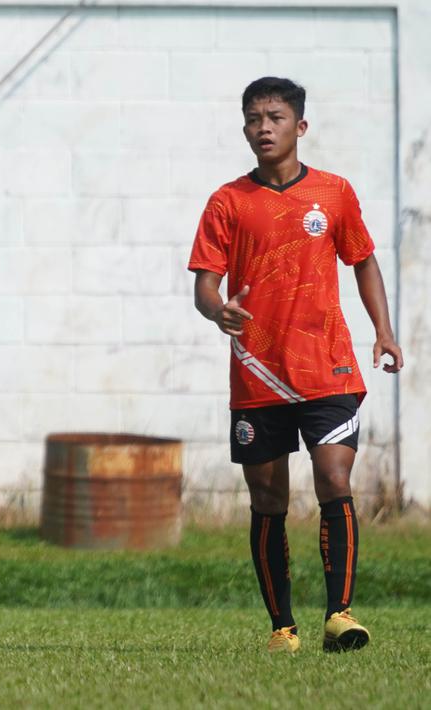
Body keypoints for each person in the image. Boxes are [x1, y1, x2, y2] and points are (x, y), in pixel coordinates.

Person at [188, 77, 402, 654]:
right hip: (258, 375)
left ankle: (340, 615)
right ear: (244, 129)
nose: (264, 127)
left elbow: (363, 261)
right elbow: (205, 286)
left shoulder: (333, 194)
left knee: (333, 478)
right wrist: (218, 312)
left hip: (328, 368)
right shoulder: (227, 202)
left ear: (299, 127)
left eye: (275, 117)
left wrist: (383, 332)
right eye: (254, 118)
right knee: (268, 500)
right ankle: (283, 628)